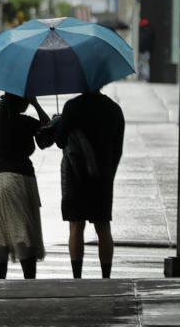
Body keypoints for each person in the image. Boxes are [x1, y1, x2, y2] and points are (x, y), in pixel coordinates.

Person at [42, 89, 125, 279]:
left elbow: (61, 141)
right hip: (102, 176)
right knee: (103, 227)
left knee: (76, 226)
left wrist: (60, 121)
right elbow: (118, 147)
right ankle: (106, 277)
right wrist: (109, 173)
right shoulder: (113, 109)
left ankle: (77, 277)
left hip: (74, 175)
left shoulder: (73, 106)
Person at [0, 92, 50, 279]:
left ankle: (0, 281)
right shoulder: (25, 122)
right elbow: (46, 137)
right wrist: (37, 105)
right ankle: (29, 281)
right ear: (22, 102)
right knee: (23, 233)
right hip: (18, 180)